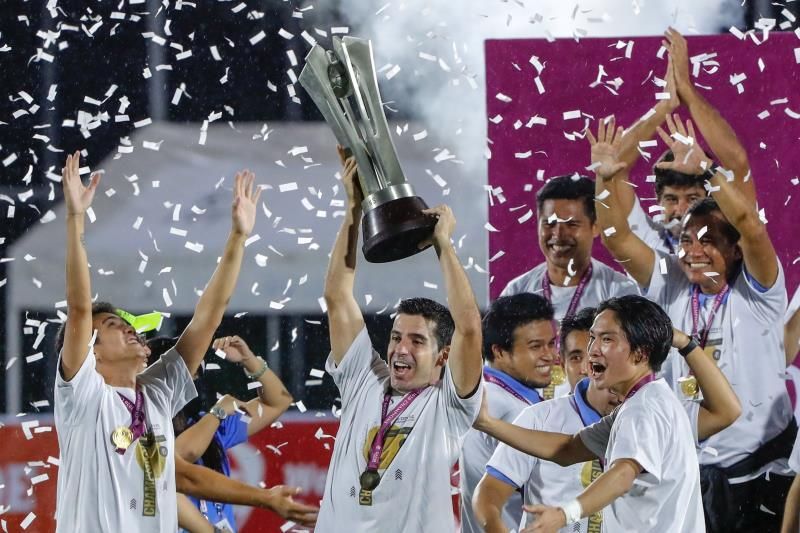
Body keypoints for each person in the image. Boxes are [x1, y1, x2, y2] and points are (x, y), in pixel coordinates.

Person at [53, 153, 313, 531]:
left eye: (127, 324)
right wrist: (75, 217)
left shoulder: (156, 395)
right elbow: (78, 309)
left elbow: (208, 317)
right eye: (113, 325)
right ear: (92, 350)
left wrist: (238, 238)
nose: (130, 329)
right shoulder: (83, 396)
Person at [589, 104, 795, 530]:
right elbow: (616, 238)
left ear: (733, 248)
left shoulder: (760, 291)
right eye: (686, 240)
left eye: (708, 240)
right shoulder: (670, 280)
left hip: (761, 475)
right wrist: (605, 180)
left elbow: (751, 226)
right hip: (691, 473)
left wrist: (708, 172)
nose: (694, 251)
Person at [315, 148, 484, 532]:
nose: (400, 349)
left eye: (417, 341)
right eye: (395, 337)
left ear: (443, 356)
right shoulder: (364, 381)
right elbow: (337, 297)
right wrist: (353, 211)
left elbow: (470, 327)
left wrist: (443, 244)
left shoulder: (450, 406)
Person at [473, 295, 717, 533]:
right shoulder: (646, 402)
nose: (593, 350)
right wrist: (488, 423)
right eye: (593, 338)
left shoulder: (643, 409)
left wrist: (563, 515)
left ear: (640, 353)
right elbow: (567, 448)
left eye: (607, 339)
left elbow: (623, 474)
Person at [612, 28, 752, 256]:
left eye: (693, 198)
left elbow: (738, 164)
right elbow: (613, 168)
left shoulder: (732, 238)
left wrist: (686, 90)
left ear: (712, 199)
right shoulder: (647, 240)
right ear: (658, 201)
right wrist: (664, 105)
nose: (681, 210)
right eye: (671, 199)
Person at [501, 174, 639, 399]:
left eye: (571, 224)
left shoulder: (620, 292)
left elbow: (634, 370)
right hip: (528, 415)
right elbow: (499, 370)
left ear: (595, 226)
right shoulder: (516, 293)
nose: (558, 234)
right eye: (549, 223)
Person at [147, 335, 294, 533]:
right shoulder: (145, 431)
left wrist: (249, 360)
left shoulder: (212, 427)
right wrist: (218, 412)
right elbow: (184, 453)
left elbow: (278, 402)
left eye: (198, 374)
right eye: (189, 374)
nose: (195, 381)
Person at [459, 293, 557, 533]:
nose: (550, 355)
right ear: (500, 352)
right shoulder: (517, 411)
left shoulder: (479, 391)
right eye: (536, 346)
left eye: (552, 343)